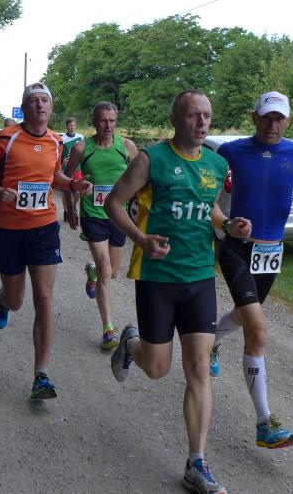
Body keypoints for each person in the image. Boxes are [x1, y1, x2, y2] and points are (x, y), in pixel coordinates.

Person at [105, 90, 248, 494]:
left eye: (207, 116)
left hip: (199, 276)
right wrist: (141, 239)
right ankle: (131, 343)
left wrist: (228, 225)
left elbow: (209, 208)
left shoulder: (217, 164)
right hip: (157, 277)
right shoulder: (151, 160)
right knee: (157, 368)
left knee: (199, 368)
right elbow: (114, 203)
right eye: (192, 116)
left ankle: (196, 463)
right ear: (174, 119)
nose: (201, 123)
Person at [211, 90, 293, 450]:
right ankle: (265, 422)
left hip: (271, 252)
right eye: (266, 117)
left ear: (288, 121)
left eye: (279, 118)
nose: (272, 124)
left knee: (245, 314)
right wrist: (226, 223)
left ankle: (211, 341)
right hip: (237, 248)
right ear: (254, 117)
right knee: (258, 330)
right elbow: (208, 198)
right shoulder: (231, 151)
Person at [0, 83, 92, 400]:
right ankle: (3, 300)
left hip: (44, 227)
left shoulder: (55, 141)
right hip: (8, 229)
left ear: (51, 107)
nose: (40, 105)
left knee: (45, 298)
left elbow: (54, 176)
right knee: (17, 301)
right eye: (33, 100)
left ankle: (41, 375)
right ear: (24, 107)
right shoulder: (5, 138)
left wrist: (73, 184)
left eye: (45, 100)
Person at [63, 103, 138, 350]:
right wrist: (71, 208)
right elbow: (66, 180)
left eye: (112, 121)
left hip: (118, 217)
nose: (108, 125)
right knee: (107, 270)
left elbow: (142, 177)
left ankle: (92, 270)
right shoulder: (82, 148)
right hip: (93, 215)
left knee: (112, 272)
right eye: (103, 120)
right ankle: (108, 329)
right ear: (94, 122)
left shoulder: (126, 147)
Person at [59, 117, 84, 222]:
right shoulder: (61, 138)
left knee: (77, 191)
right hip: (66, 168)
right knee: (67, 191)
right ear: (67, 126)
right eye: (70, 125)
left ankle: (72, 207)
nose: (72, 127)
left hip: (77, 167)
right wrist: (62, 161)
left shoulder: (80, 137)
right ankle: (66, 211)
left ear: (76, 126)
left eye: (74, 125)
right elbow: (58, 153)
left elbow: (83, 151)